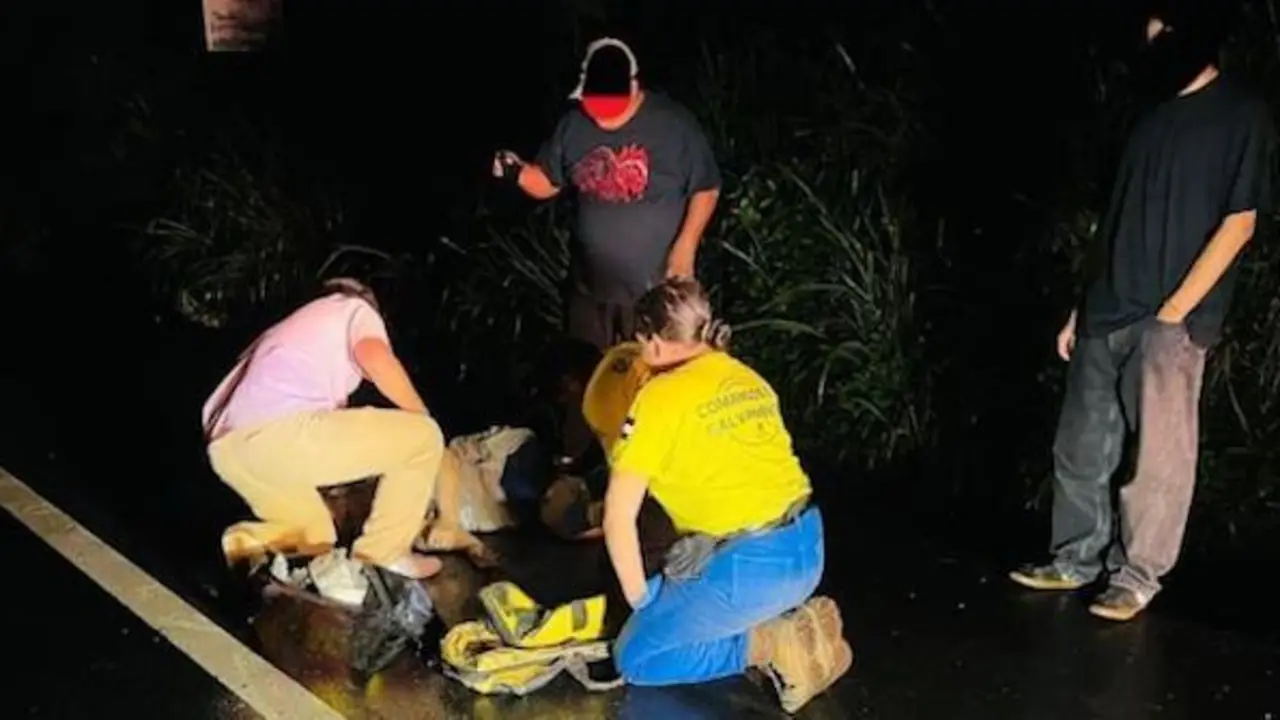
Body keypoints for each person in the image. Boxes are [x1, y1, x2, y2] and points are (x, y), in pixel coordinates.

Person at [1010, 10, 1276, 621]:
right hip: (1108, 306)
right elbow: (1115, 221)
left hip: (1171, 317)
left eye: (1165, 35)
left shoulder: (1242, 112)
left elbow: (1241, 222)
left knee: (1160, 457)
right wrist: (1080, 310)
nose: (1154, 46)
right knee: (1080, 446)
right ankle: (1075, 558)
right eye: (1150, 36)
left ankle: (1137, 576)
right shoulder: (1148, 118)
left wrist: (1177, 311)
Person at [603, 278, 852, 714]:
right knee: (681, 589)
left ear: (656, 344)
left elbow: (617, 518)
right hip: (807, 547)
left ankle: (769, 643)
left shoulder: (659, 397)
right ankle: (789, 623)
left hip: (751, 568)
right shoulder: (747, 377)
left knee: (638, 656)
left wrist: (641, 603)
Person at [203, 278, 446, 580]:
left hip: (231, 451)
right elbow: (374, 356)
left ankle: (247, 543)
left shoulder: (286, 336)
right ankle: (384, 553)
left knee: (315, 536)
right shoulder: (353, 308)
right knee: (423, 438)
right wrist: (421, 417)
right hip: (281, 431)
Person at [492, 37, 723, 351]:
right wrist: (515, 171)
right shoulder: (573, 126)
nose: (603, 117)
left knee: (648, 379)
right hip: (591, 293)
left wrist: (686, 247)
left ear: (633, 85)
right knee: (589, 378)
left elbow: (706, 187)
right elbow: (547, 182)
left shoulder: (673, 126)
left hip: (654, 293)